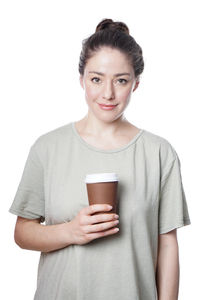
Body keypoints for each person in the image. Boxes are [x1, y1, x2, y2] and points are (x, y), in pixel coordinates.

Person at [9, 18, 191, 300]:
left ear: (136, 84)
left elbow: (167, 244)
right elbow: (22, 233)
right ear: (81, 79)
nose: (108, 93)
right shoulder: (47, 148)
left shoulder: (159, 153)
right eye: (96, 79)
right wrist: (71, 231)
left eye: (121, 80)